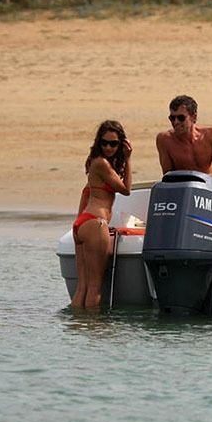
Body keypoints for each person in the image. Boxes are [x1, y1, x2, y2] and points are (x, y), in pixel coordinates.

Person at [72, 120, 132, 309]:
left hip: (83, 223)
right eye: (104, 143)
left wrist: (78, 223)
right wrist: (129, 159)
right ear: (99, 142)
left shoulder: (94, 162)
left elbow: (86, 191)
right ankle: (94, 330)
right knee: (95, 287)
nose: (108, 147)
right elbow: (126, 189)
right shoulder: (102, 164)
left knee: (82, 287)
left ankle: (79, 328)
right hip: (95, 224)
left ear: (119, 144)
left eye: (113, 144)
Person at [156, 95, 212, 179]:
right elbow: (168, 175)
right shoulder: (165, 140)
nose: (176, 122)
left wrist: (205, 179)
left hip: (208, 186)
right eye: (172, 118)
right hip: (182, 187)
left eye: (181, 118)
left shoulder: (211, 134)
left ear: (194, 117)